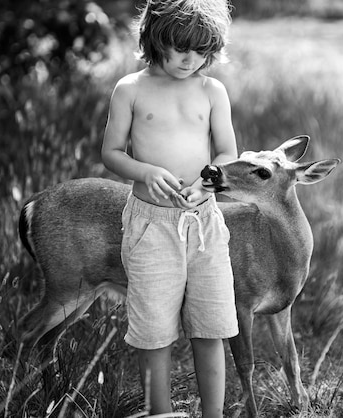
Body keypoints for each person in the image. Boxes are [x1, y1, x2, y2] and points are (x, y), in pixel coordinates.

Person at [100, 0, 238, 416]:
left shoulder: (211, 90)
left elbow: (229, 152)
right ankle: (159, 414)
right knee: (154, 331)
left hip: (205, 222)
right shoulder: (130, 89)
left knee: (211, 325)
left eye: (200, 51)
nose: (189, 59)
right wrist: (143, 171)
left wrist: (207, 182)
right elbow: (111, 153)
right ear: (155, 38)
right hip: (151, 225)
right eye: (180, 48)